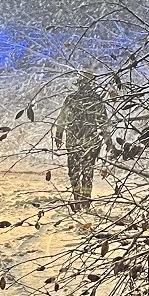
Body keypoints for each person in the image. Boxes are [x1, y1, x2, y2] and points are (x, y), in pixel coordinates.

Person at [54, 72, 107, 209]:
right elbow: (104, 123)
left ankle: (81, 200)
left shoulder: (77, 99)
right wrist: (108, 141)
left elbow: (62, 119)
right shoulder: (95, 100)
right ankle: (83, 200)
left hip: (79, 143)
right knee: (85, 173)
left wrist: (59, 134)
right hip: (88, 143)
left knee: (76, 173)